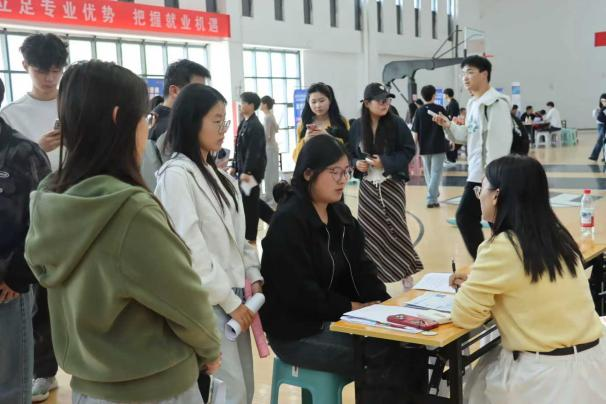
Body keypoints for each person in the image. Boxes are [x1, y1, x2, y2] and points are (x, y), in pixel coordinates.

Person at [24, 60, 222, 403]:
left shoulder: (50, 197)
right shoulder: (129, 210)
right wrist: (210, 349)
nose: (147, 129)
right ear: (120, 119)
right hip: (153, 386)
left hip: (88, 387)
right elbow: (184, 300)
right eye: (144, 119)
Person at [261, 135, 428, 404]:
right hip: (296, 332)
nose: (342, 180)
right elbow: (301, 295)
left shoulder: (339, 213)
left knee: (409, 344)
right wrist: (352, 307)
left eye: (346, 172)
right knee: (385, 353)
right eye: (334, 172)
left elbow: (361, 268)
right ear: (308, 173)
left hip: (333, 318)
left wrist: (388, 308)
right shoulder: (288, 222)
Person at [450, 155, 606, 404]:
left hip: (542, 378)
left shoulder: (501, 247)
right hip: (593, 367)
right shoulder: (558, 237)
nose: (479, 196)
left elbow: (464, 316)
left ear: (496, 196)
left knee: (473, 386)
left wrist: (472, 287)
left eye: (481, 189)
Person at [156, 84, 264, 404]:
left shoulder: (219, 177)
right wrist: (231, 304)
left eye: (224, 121)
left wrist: (254, 275)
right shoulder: (176, 175)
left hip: (235, 298)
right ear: (192, 121)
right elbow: (189, 250)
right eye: (216, 121)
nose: (223, 130)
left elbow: (239, 237)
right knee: (227, 391)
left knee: (242, 387)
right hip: (207, 301)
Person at [0, 33, 68, 402]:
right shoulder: (12, 114)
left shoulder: (73, 105)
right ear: (26, 66)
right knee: (38, 298)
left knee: (70, 295)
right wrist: (37, 149)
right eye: (42, 70)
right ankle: (43, 369)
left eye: (56, 70)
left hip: (71, 208)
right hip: (30, 214)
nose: (49, 78)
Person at [0, 77, 50, 404]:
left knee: (11, 386)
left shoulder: (23, 153)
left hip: (7, 287)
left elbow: (44, 222)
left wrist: (18, 276)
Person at [433, 55, 513, 259]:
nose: (465, 78)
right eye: (463, 74)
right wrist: (448, 125)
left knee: (492, 223)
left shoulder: (496, 103)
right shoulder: (473, 103)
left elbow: (500, 142)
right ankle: (489, 263)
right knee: (478, 220)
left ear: (484, 74)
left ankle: (496, 263)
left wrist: (493, 178)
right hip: (476, 173)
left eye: (470, 72)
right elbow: (466, 136)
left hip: (491, 176)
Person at [349, 83, 423, 287]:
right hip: (368, 186)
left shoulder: (397, 123)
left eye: (387, 100)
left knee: (397, 228)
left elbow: (408, 150)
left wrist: (385, 162)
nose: (385, 104)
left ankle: (405, 270)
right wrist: (356, 163)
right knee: (369, 232)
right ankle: (374, 275)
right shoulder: (357, 126)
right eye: (380, 100)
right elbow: (350, 152)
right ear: (367, 103)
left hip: (392, 184)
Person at [141, 59, 211, 189]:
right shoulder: (174, 127)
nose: (204, 98)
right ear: (174, 91)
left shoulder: (151, 119)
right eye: (197, 91)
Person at [234, 92, 270, 243]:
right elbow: (239, 148)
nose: (240, 106)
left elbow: (253, 151)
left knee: (250, 204)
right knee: (251, 201)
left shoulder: (255, 126)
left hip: (251, 172)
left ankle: (250, 237)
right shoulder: (244, 122)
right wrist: (235, 167)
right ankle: (275, 219)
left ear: (251, 105)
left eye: (243, 103)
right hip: (244, 171)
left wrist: (247, 171)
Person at [412, 85, 449, 208]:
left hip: (424, 147)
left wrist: (413, 148)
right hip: (439, 146)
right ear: (434, 95)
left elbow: (415, 131)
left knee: (429, 175)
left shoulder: (419, 111)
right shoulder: (440, 109)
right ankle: (431, 198)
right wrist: (451, 140)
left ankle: (433, 197)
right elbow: (447, 127)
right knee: (436, 173)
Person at [292, 82, 349, 161]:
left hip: (336, 166)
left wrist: (328, 137)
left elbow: (349, 150)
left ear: (330, 100)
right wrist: (305, 140)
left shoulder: (341, 121)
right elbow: (296, 158)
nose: (318, 105)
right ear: (308, 103)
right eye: (313, 102)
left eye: (322, 101)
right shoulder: (303, 124)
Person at [260, 95, 280, 203]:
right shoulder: (271, 115)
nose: (260, 105)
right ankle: (273, 196)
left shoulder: (267, 117)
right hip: (273, 147)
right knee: (272, 172)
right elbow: (276, 129)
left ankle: (270, 197)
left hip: (269, 148)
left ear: (265, 105)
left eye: (261, 103)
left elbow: (266, 136)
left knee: (269, 173)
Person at [589, 94, 606, 162]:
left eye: (604, 101)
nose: (603, 102)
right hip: (600, 125)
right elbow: (596, 116)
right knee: (601, 140)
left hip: (604, 125)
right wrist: (597, 112)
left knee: (601, 140)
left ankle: (595, 156)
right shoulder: (600, 108)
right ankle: (600, 156)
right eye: (602, 101)